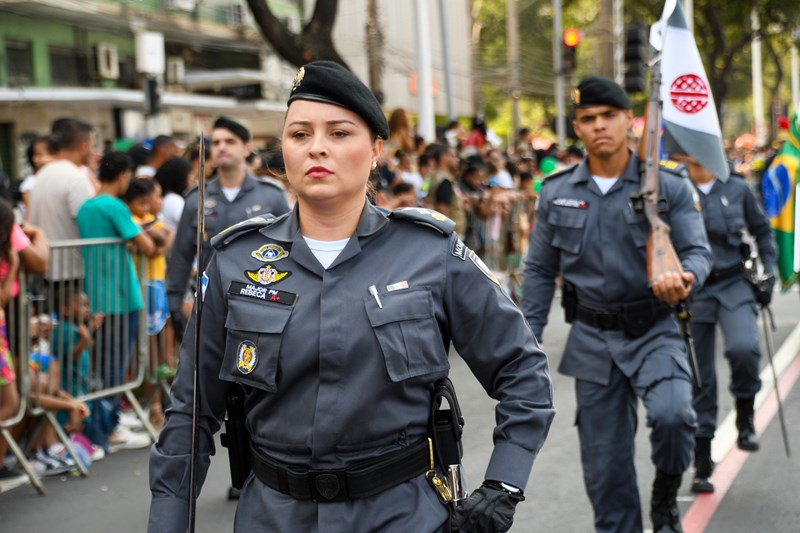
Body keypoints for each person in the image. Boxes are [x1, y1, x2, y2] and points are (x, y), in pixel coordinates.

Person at [149, 60, 555, 533]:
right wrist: (169, 520)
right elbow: (191, 411)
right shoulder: (235, 261)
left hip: (403, 516)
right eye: (300, 134)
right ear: (283, 150)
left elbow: (521, 370)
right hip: (274, 517)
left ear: (376, 149)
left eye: (339, 133)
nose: (317, 147)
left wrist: (503, 484)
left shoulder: (430, 253)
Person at [522, 76, 712, 533]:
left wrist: (685, 279)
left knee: (674, 416)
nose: (599, 125)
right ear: (577, 128)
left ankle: (666, 491)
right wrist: (527, 341)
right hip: (591, 340)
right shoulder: (556, 191)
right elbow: (539, 271)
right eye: (588, 119)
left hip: (654, 327)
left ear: (631, 120)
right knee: (606, 475)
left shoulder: (667, 186)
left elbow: (698, 253)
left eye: (609, 116)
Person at [673, 156, 776, 494]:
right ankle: (702, 462)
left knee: (744, 348)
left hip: (734, 282)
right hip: (695, 289)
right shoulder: (673, 187)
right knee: (699, 375)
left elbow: (761, 230)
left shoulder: (735, 185)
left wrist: (769, 270)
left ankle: (745, 414)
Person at [165, 116, 290, 342]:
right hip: (210, 303)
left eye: (230, 141)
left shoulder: (271, 195)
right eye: (216, 142)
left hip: (259, 302)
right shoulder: (197, 200)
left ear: (246, 148)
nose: (221, 147)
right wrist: (175, 303)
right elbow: (181, 256)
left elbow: (289, 250)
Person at [77, 151, 156, 452]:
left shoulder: (86, 207)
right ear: (123, 175)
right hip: (121, 297)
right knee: (115, 369)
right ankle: (105, 430)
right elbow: (147, 246)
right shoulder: (115, 206)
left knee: (101, 368)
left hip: (96, 296)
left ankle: (104, 427)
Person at [29, 118, 95, 285]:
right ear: (83, 145)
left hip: (45, 270)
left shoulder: (41, 175)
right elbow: (87, 222)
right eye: (93, 146)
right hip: (72, 272)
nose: (95, 152)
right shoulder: (76, 177)